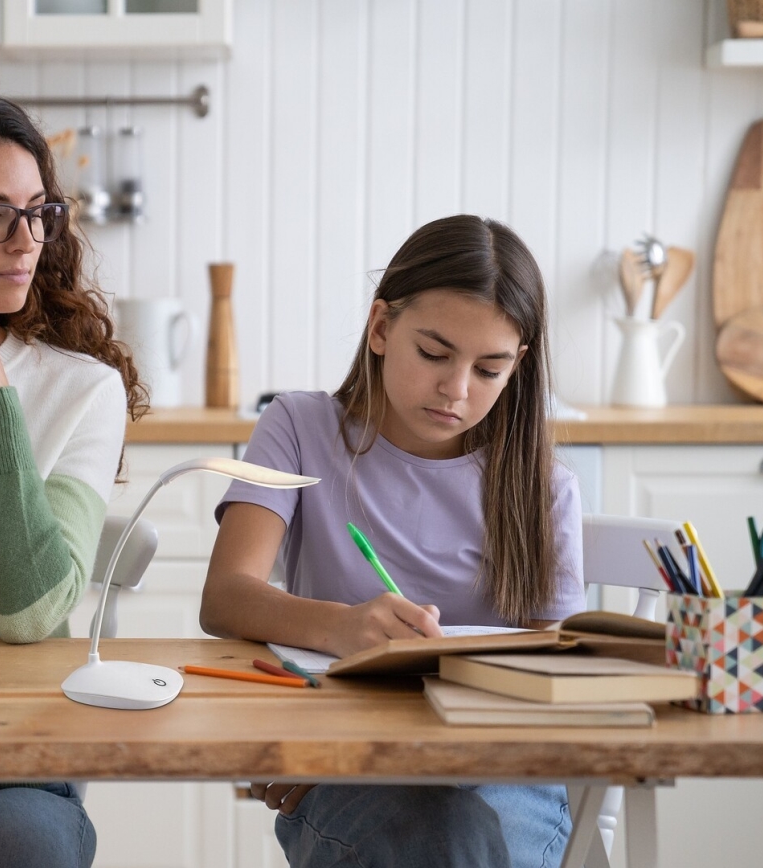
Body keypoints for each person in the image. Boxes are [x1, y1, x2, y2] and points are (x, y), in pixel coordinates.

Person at [200, 214, 585, 868]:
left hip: (501, 772)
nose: (456, 390)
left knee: (461, 835)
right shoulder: (297, 426)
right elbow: (226, 596)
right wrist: (343, 628)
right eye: (434, 354)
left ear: (518, 366)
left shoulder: (542, 486)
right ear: (381, 328)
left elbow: (555, 682)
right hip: (347, 761)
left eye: (489, 369)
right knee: (437, 838)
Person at [0, 84, 147, 867]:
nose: (26, 241)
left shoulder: (82, 390)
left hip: (1, 772)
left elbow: (28, 612)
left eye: (38, 212)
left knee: (15, 847)